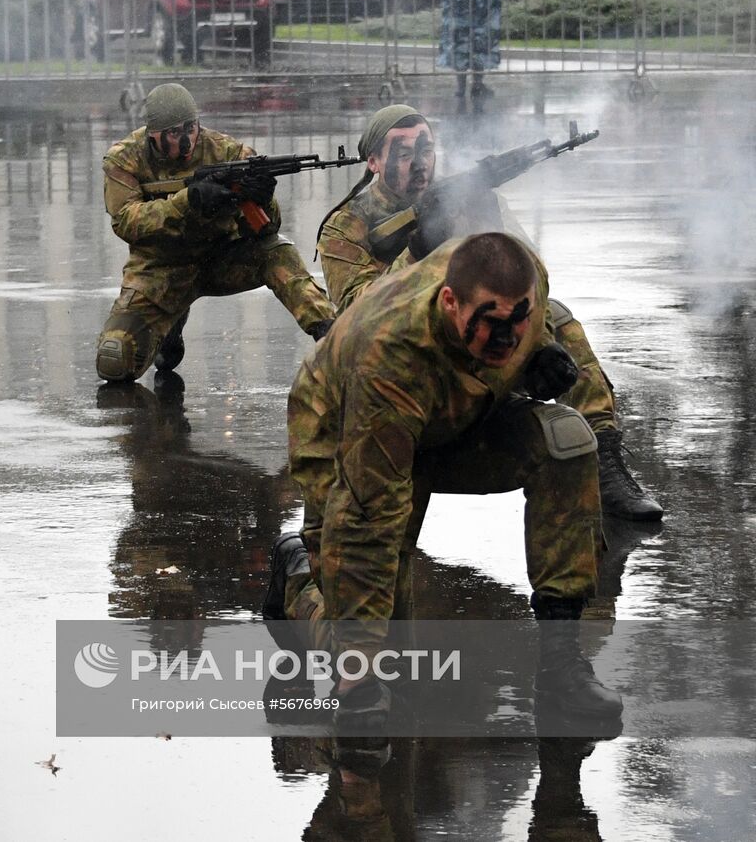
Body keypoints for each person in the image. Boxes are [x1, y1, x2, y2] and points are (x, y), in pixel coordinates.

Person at [266, 232, 623, 723]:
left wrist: (539, 351)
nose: (507, 337)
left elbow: (529, 325)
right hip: (347, 430)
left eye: (518, 322)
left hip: (451, 414)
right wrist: (358, 682)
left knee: (567, 442)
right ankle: (299, 582)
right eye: (493, 325)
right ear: (450, 303)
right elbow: (371, 518)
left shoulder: (523, 284)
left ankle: (561, 664)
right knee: (391, 663)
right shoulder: (389, 356)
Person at [316, 104, 662, 519]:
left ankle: (606, 463)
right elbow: (359, 316)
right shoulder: (345, 227)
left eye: (426, 149)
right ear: (373, 161)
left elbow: (529, 269)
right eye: (403, 152)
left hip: (473, 346)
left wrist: (541, 342)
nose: (419, 162)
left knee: (556, 315)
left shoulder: (466, 200)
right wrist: (418, 250)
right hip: (401, 374)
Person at [95, 83, 335, 383]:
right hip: (161, 269)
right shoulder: (124, 159)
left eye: (191, 128)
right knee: (114, 363)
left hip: (223, 259)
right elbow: (127, 222)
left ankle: (331, 334)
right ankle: (170, 327)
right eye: (175, 133)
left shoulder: (228, 152)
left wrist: (262, 199)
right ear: (152, 134)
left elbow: (267, 229)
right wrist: (189, 202)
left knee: (278, 252)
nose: (187, 140)